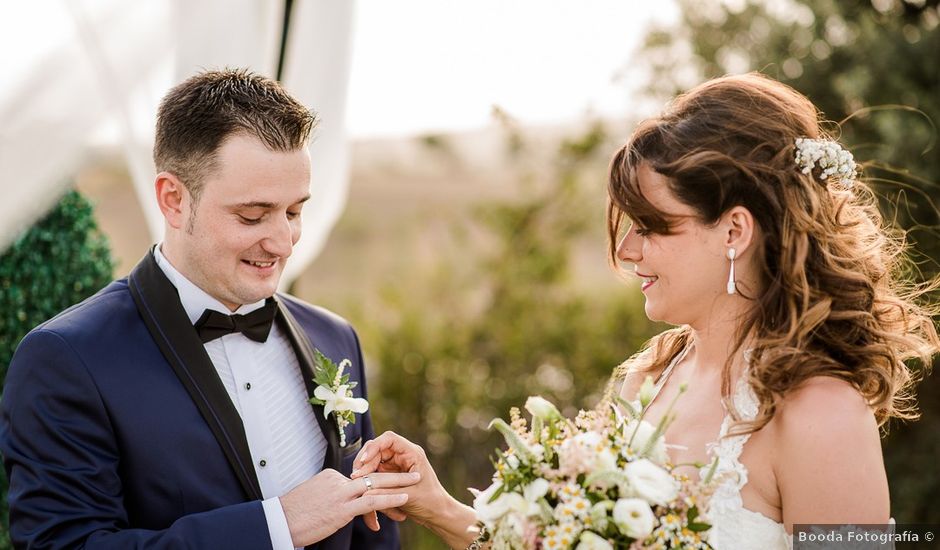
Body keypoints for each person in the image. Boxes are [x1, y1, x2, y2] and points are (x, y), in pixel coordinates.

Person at [348, 73, 939, 549]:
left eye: (654, 226)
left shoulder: (822, 416)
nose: (627, 250)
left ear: (734, 229)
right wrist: (440, 508)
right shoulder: (645, 382)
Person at [0, 69, 419, 549]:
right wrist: (276, 526)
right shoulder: (67, 359)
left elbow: (372, 535)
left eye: (294, 211)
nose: (283, 242)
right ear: (174, 200)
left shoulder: (335, 338)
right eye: (252, 215)